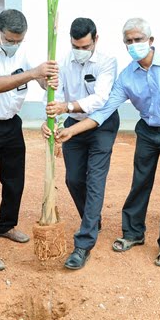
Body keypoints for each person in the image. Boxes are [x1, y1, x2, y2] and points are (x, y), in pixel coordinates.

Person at [57, 18, 160, 268]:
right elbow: (103, 112)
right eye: (129, 41)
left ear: (150, 40)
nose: (134, 45)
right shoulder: (127, 77)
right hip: (147, 131)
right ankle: (133, 233)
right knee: (140, 182)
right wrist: (71, 131)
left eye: (138, 40)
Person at [0, 9, 58, 271]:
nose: (15, 45)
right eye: (10, 40)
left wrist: (47, 79)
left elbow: (38, 78)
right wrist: (32, 73)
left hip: (10, 124)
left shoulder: (23, 50)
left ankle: (6, 225)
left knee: (14, 179)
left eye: (19, 40)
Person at [41, 18, 119, 270]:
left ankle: (83, 243)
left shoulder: (107, 61)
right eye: (76, 46)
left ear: (96, 39)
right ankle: (92, 218)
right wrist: (52, 119)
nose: (80, 51)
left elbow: (101, 98)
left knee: (95, 179)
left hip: (102, 125)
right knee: (73, 179)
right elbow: (55, 95)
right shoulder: (63, 62)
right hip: (73, 124)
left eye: (85, 46)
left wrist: (68, 106)